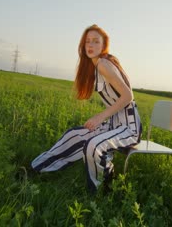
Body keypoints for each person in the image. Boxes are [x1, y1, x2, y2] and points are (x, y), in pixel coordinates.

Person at [31, 24, 142, 192]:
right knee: (74, 135)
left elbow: (128, 96)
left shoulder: (104, 63)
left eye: (96, 41)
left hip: (129, 129)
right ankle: (37, 169)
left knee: (93, 145)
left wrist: (100, 117)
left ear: (103, 45)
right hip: (114, 125)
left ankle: (102, 189)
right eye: (87, 41)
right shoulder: (96, 65)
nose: (90, 45)